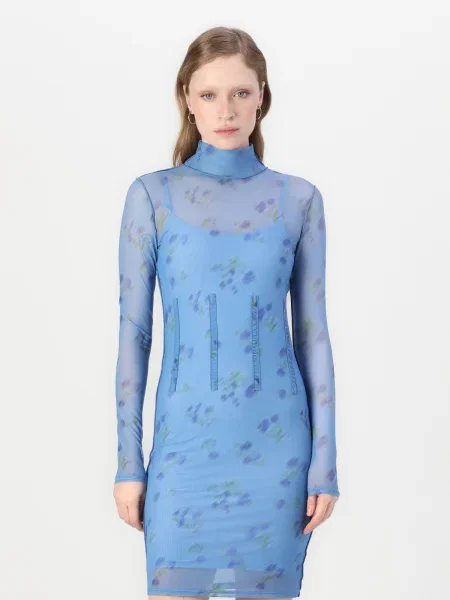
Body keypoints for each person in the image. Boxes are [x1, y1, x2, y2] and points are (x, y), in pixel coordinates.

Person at [113, 25, 340, 600]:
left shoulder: (299, 200)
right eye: (209, 94)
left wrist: (325, 462)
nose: (226, 110)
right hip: (183, 456)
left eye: (240, 92)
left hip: (277, 461)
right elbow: (134, 334)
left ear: (262, 95)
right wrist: (128, 462)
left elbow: (312, 336)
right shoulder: (152, 196)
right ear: (186, 99)